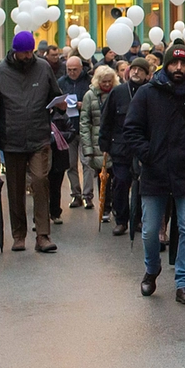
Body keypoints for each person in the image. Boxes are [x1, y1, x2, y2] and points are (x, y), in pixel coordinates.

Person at [123, 43, 185, 305]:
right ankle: (151, 268)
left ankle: (183, 282)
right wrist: (149, 154)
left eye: (183, 64)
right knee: (150, 229)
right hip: (154, 172)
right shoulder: (147, 94)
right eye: (174, 63)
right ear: (166, 64)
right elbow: (131, 130)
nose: (179, 68)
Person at [0, 30, 64, 253]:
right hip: (12, 138)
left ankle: (42, 235)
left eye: (31, 51)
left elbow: (55, 94)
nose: (28, 55)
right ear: (15, 51)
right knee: (15, 188)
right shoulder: (0, 72)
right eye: (24, 52)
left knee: (40, 181)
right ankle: (18, 234)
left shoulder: (43, 67)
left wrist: (60, 106)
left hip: (39, 136)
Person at [100, 58, 150, 235]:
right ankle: (121, 219)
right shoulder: (118, 92)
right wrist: (104, 144)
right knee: (120, 183)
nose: (136, 72)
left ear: (147, 74)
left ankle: (138, 219)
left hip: (143, 148)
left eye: (140, 70)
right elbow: (107, 119)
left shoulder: (150, 92)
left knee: (142, 185)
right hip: (120, 147)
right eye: (133, 69)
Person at [79, 65, 116, 216]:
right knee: (103, 177)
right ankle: (105, 206)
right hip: (98, 142)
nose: (107, 84)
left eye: (109, 81)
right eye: (103, 81)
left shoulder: (116, 92)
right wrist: (87, 148)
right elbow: (84, 122)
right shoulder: (90, 95)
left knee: (117, 177)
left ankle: (115, 205)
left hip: (115, 140)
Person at [58, 55, 93, 210]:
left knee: (87, 163)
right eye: (69, 70)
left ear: (81, 68)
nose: (72, 73)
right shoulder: (61, 83)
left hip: (85, 127)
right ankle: (75, 194)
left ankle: (87, 195)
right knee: (70, 164)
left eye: (75, 70)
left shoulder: (89, 81)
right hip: (68, 127)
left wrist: (83, 105)